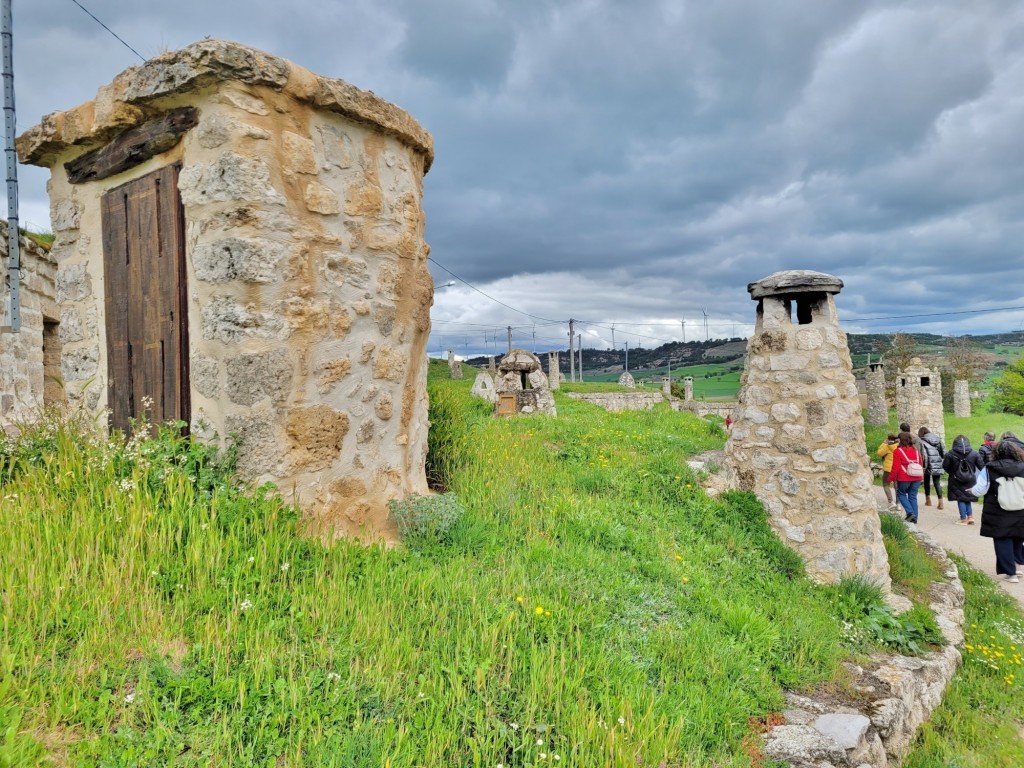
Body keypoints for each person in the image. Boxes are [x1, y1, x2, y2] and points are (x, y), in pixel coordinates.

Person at [979, 440, 1024, 583]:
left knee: (1002, 539)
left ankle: (1011, 573)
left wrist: (971, 491)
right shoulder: (1023, 467)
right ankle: (1016, 566)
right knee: (1017, 537)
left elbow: (981, 488)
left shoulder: (989, 469)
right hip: (1020, 508)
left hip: (998, 510)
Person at [943, 435, 984, 525]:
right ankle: (970, 517)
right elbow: (981, 466)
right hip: (970, 479)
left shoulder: (950, 454)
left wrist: (952, 473)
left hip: (956, 480)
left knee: (960, 498)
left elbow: (945, 466)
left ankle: (963, 519)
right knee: (967, 497)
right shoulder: (974, 453)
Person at [892, 431, 924, 524]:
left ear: (900, 440)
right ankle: (915, 518)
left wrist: (890, 478)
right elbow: (921, 463)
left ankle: (910, 513)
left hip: (904, 477)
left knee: (901, 493)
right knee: (913, 496)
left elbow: (896, 467)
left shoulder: (898, 451)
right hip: (917, 477)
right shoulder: (916, 450)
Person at [918, 427, 946, 510]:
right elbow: (943, 452)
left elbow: (922, 454)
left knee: (926, 482)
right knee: (937, 482)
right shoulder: (937, 439)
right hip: (937, 463)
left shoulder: (922, 441)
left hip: (927, 463)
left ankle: (928, 500)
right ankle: (941, 503)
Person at [876, 434, 899, 510]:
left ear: (888, 439)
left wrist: (883, 443)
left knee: (886, 484)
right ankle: (898, 503)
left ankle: (891, 502)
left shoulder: (887, 446)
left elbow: (879, 453)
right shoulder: (898, 446)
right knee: (897, 486)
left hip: (888, 469)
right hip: (897, 468)